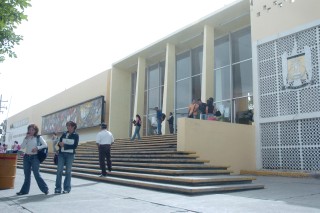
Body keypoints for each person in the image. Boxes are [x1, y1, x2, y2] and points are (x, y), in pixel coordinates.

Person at [16, 124, 49, 195]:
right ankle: (24, 191)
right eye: (29, 130)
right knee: (27, 175)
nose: (30, 131)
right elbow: (22, 146)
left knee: (36, 174)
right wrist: (26, 138)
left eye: (32, 130)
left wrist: (37, 148)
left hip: (35, 157)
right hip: (26, 157)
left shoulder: (38, 137)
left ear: (35, 130)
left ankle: (45, 189)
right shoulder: (26, 138)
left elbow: (45, 145)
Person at [55, 121, 79, 194]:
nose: (68, 127)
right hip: (61, 154)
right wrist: (59, 143)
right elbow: (59, 142)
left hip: (70, 155)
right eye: (67, 126)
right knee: (59, 170)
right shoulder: (64, 134)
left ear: (73, 127)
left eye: (69, 126)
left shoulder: (76, 135)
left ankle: (67, 188)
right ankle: (58, 188)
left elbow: (75, 146)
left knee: (68, 172)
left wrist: (65, 145)